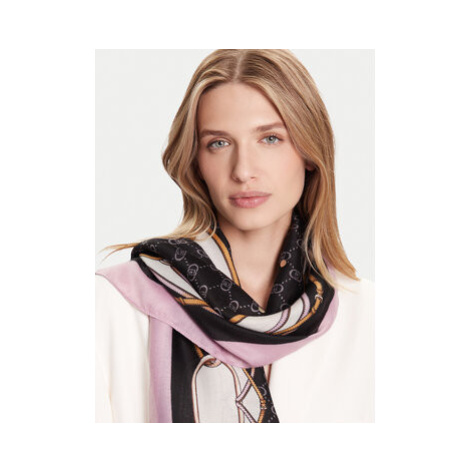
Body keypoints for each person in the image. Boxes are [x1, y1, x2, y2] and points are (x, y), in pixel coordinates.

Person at [95, 49, 374, 423]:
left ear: (310, 151)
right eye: (219, 143)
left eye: (270, 138)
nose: (243, 170)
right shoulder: (113, 305)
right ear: (196, 161)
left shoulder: (371, 317)